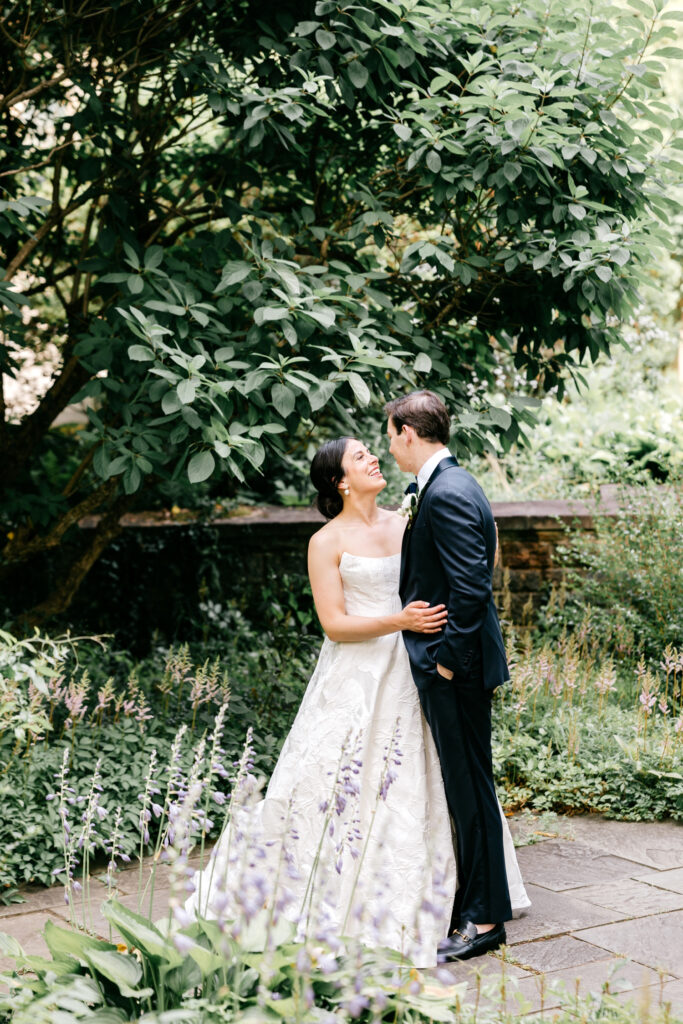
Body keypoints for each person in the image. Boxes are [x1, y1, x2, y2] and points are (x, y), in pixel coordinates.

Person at [186, 436, 529, 965]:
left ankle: (466, 891)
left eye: (374, 449)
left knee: (438, 777)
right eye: (360, 456)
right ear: (340, 481)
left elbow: (461, 567)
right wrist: (400, 620)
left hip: (423, 668)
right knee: (347, 779)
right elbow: (335, 625)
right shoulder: (325, 542)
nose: (374, 457)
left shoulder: (408, 517)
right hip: (360, 672)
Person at [385, 390, 518, 963]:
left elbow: (472, 585)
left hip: (453, 668)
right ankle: (473, 901)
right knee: (465, 787)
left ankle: (485, 919)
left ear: (408, 433)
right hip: (452, 662)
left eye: (390, 436)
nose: (389, 447)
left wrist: (446, 659)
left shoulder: (447, 492)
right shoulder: (445, 486)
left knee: (471, 789)